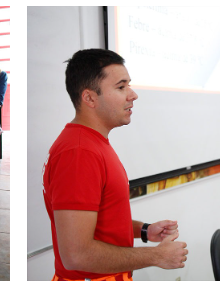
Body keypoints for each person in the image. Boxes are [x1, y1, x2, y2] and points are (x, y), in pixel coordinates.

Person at [43, 49, 187, 281]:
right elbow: (76, 255)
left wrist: (144, 231)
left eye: (128, 85)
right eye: (121, 87)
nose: (133, 95)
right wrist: (155, 256)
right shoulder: (79, 153)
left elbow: (98, 219)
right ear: (89, 98)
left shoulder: (91, 144)